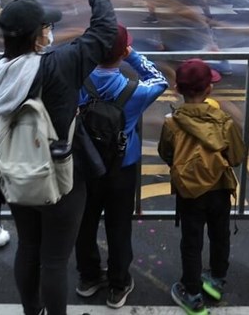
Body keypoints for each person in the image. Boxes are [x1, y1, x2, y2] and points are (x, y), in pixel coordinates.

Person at [0, 0, 118, 315]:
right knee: (55, 259)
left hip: (16, 174)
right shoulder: (59, 64)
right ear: (37, 35)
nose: (50, 32)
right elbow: (105, 31)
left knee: (28, 247)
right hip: (60, 177)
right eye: (46, 27)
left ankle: (33, 312)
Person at [74, 24, 168, 309]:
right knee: (118, 227)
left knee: (85, 223)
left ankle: (88, 278)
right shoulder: (135, 92)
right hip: (122, 167)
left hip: (85, 166)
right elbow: (159, 80)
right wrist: (134, 57)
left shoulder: (77, 81)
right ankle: (118, 284)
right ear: (122, 51)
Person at [158, 59, 245, 315]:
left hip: (189, 192)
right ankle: (216, 279)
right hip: (219, 188)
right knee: (220, 235)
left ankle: (192, 293)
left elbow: (167, 153)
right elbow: (237, 157)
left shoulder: (172, 123)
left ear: (177, 89)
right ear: (209, 90)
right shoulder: (224, 121)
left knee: (192, 241)